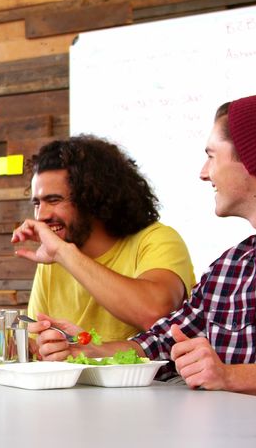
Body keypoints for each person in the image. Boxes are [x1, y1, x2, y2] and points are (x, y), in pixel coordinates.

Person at [31, 93, 256, 411]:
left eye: (211, 156)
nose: (204, 173)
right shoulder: (233, 266)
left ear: (252, 158)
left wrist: (229, 376)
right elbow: (158, 343)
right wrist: (85, 352)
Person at [11, 136, 196, 344]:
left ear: (93, 197)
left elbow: (155, 314)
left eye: (54, 200)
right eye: (37, 203)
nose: (41, 215)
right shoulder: (55, 258)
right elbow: (36, 344)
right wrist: (38, 347)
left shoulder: (157, 240)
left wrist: (63, 253)